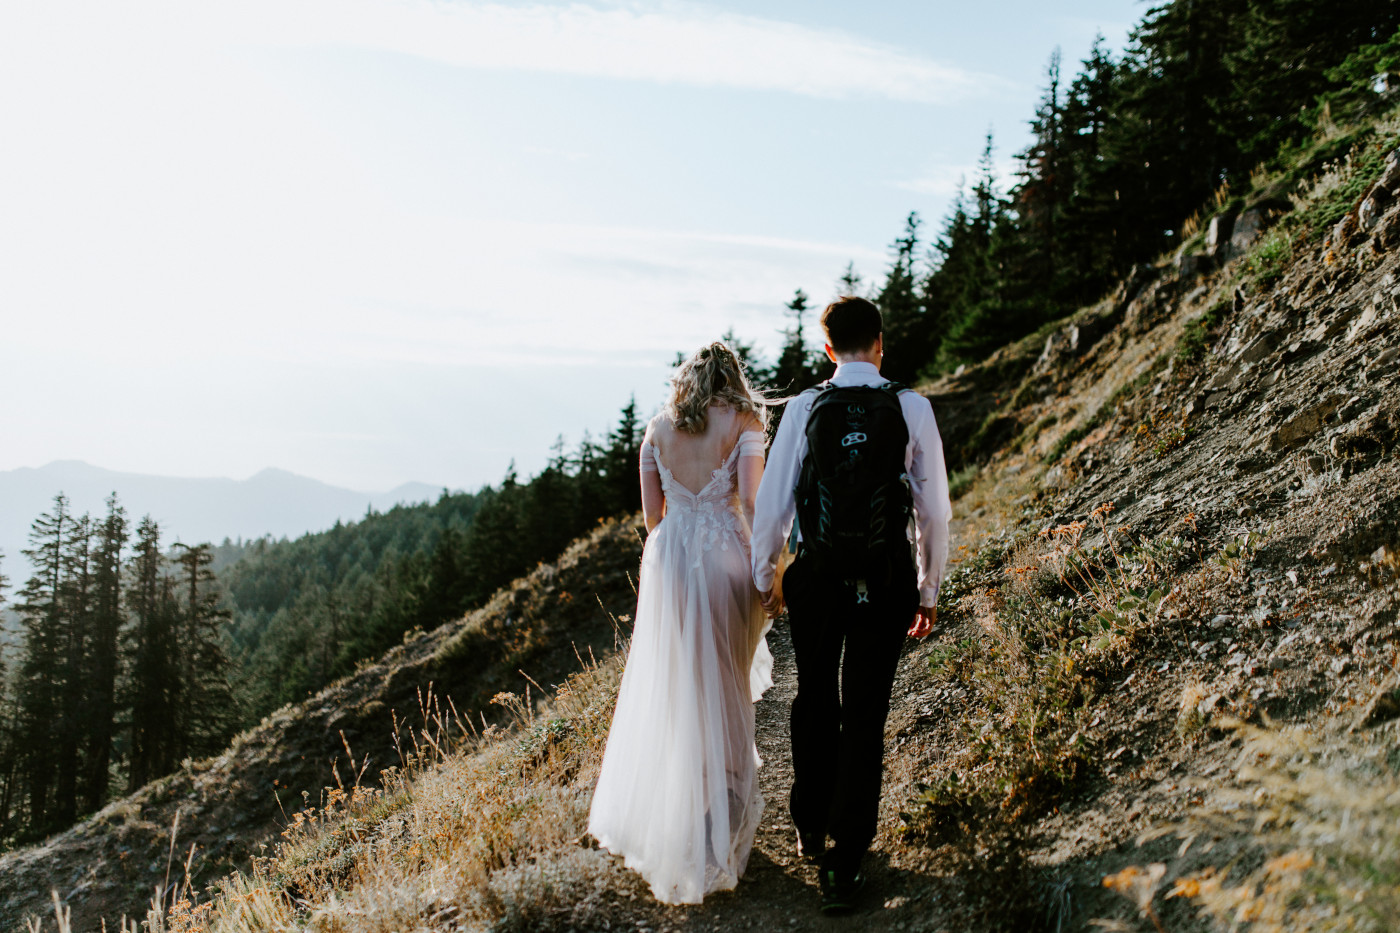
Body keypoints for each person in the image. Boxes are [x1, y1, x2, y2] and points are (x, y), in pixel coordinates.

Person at [750, 296, 951, 915]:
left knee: (814, 696)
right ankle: (845, 860)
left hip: (817, 578)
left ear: (829, 348)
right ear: (881, 343)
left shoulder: (807, 407)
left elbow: (775, 503)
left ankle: (809, 824)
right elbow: (933, 510)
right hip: (885, 579)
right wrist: (927, 589)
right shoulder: (911, 407)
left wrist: (767, 578)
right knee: (865, 713)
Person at [588, 341, 775, 905]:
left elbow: (652, 517)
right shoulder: (743, 419)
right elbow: (751, 499)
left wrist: (681, 537)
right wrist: (771, 573)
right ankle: (727, 818)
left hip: (670, 561)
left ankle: (696, 817)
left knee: (685, 688)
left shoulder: (656, 430)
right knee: (729, 682)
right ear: (732, 377)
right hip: (725, 557)